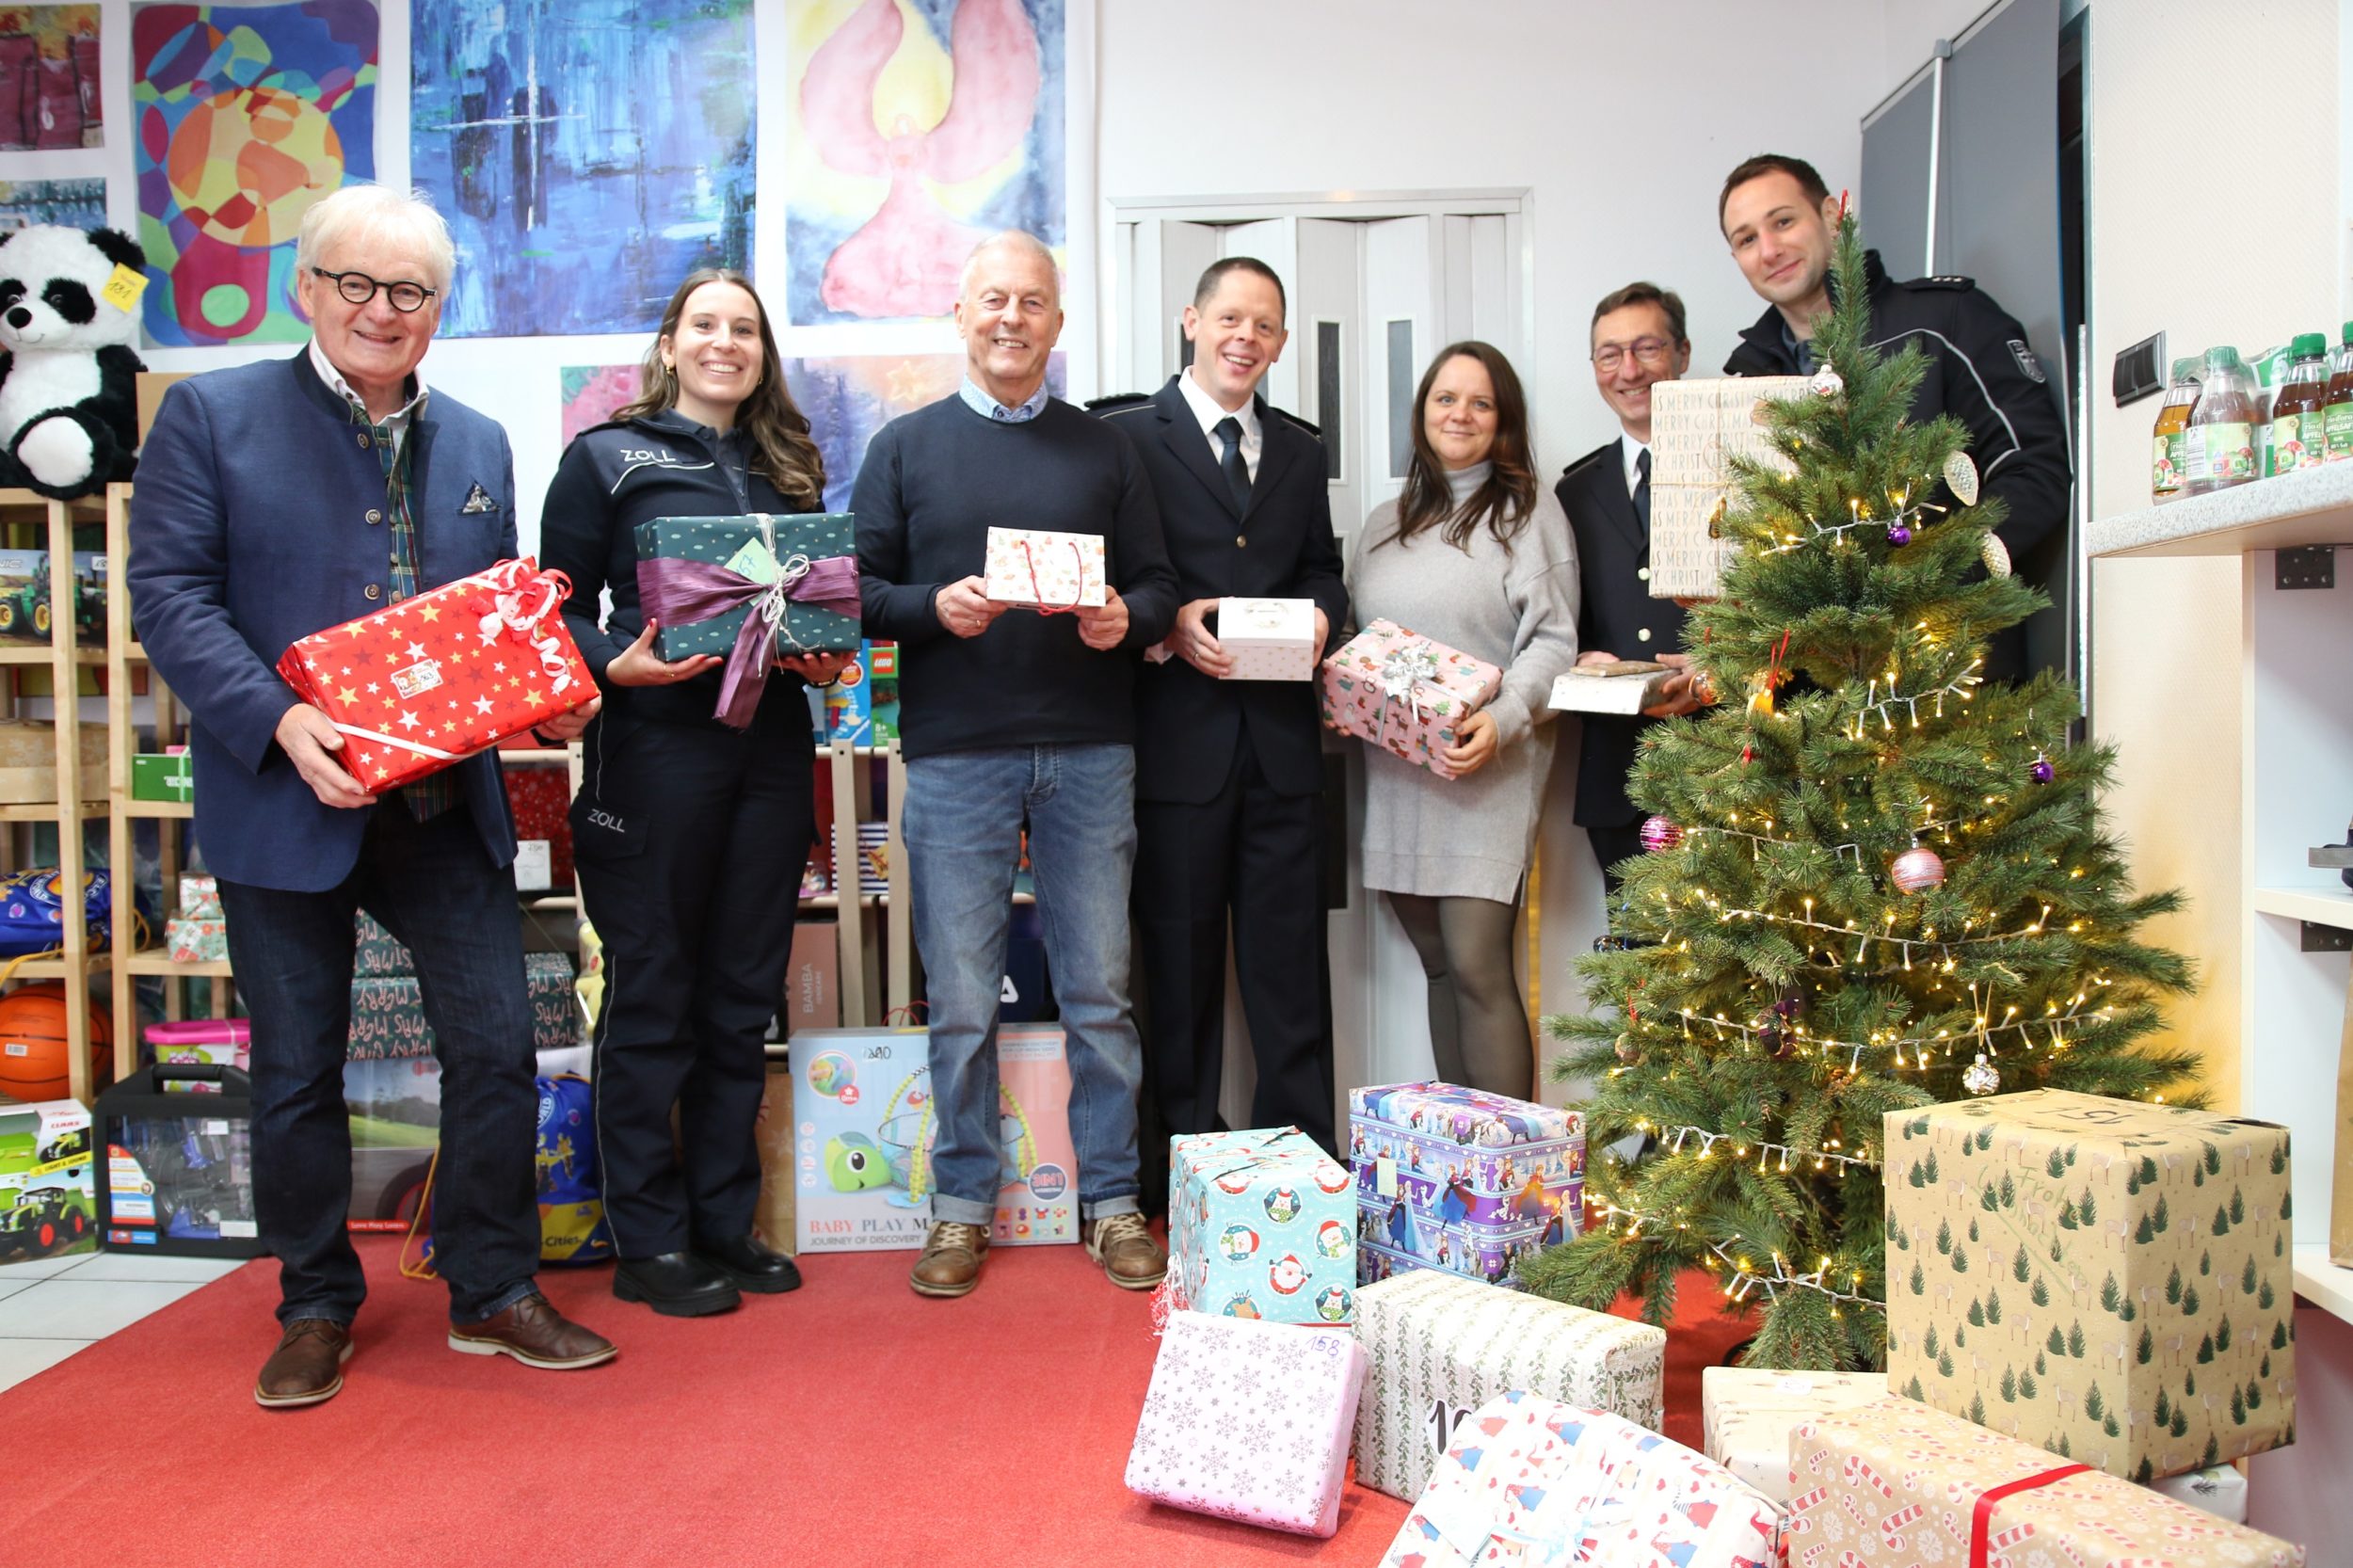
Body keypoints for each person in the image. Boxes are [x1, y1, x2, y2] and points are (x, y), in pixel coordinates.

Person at [127, 184, 616, 1408]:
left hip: (444, 806)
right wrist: (278, 720)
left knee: (499, 1047)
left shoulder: (478, 442)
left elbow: (492, 623)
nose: (382, 310)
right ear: (307, 286)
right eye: (357, 283)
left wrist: (544, 700)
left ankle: (494, 1288)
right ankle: (313, 1303)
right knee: (297, 1068)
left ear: (439, 310)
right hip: (283, 801)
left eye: (411, 292)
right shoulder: (209, 416)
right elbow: (171, 599)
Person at [855, 231, 1179, 1299]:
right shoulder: (903, 447)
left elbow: (1158, 587)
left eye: (1031, 302)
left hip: (1091, 751)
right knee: (959, 997)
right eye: (993, 299)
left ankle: (1112, 1204)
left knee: (1099, 991)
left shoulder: (1107, 449)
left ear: (1056, 320)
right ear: (960, 314)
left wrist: (1124, 621)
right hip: (955, 758)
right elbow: (852, 594)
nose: (1011, 317)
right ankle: (959, 1208)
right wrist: (930, 611)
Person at [537, 269, 850, 1317]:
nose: (726, 343)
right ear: (670, 343)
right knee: (656, 997)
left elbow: (816, 605)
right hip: (652, 758)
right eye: (705, 325)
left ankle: (727, 1222)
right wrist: (610, 662)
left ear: (762, 352)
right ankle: (651, 1240)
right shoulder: (606, 458)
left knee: (737, 1002)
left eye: (745, 329)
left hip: (768, 755)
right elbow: (553, 606)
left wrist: (825, 659)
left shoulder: (787, 467)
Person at [1093, 257, 1347, 1156]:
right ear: (1192, 321)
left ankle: (1309, 1161)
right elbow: (1107, 578)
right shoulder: (1123, 435)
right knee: (1179, 972)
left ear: (1280, 342)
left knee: (1291, 975)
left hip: (1281, 751)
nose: (1247, 337)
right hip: (1174, 746)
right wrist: (1164, 627)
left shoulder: (1303, 447)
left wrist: (1323, 614)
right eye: (1231, 319)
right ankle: (1185, 1165)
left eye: (1266, 325)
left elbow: (1322, 565)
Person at [1718, 152, 2072, 680]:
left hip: (1949, 680)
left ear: (1834, 216)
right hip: (1809, 705)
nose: (1769, 250)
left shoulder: (1946, 321)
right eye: (1746, 240)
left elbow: (2034, 469)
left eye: (1783, 221)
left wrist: (1935, 579)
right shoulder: (1746, 384)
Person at [1345, 343, 1579, 1100]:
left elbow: (1554, 640)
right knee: (1438, 964)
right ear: (1421, 413)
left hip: (1489, 770)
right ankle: (1460, 1161)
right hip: (1398, 771)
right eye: (1446, 399)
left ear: (1503, 419)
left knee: (1479, 967)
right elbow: (1360, 640)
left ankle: (1512, 1180)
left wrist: (1507, 717)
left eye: (1481, 403)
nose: (1461, 415)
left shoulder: (1528, 512)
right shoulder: (1383, 523)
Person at [1557, 282, 1708, 892]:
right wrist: (1579, 657)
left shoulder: (1737, 467)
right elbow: (1560, 621)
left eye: (1647, 348)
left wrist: (1724, 666)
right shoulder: (1573, 492)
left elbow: (1787, 601)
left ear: (1683, 352)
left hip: (1730, 762)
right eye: (1609, 354)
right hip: (1621, 771)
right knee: (1637, 972)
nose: (1629, 370)